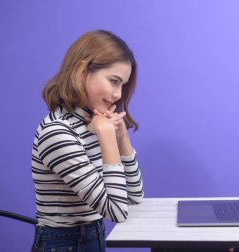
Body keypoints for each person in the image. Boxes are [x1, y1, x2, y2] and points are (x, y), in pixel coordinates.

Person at [30, 30, 144, 252]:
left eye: (122, 85)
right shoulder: (57, 133)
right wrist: (108, 138)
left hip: (92, 236)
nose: (119, 94)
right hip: (63, 244)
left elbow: (135, 197)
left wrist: (122, 138)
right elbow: (117, 212)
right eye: (114, 81)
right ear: (83, 70)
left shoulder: (93, 123)